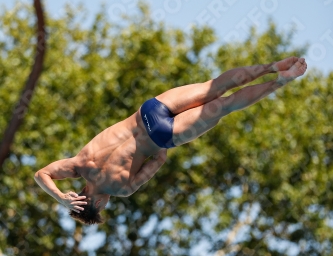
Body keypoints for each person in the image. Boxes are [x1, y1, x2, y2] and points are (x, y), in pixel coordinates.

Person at [34, 56, 307, 225]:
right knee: (215, 85)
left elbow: (159, 160)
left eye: (102, 206)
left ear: (96, 203)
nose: (105, 203)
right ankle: (272, 66)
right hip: (148, 112)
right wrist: (59, 196)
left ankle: (280, 82)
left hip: (164, 135)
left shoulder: (123, 189)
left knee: (225, 106)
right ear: (78, 195)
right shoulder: (79, 164)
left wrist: (155, 148)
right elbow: (41, 174)